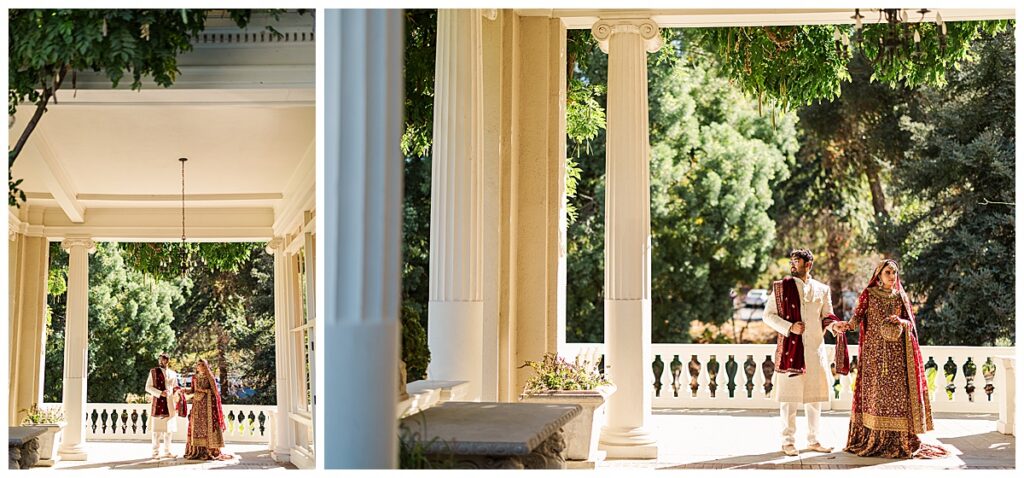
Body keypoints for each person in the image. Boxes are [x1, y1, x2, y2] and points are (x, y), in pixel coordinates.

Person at [835, 259, 950, 458]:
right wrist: (845, 326)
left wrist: (901, 322)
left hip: (898, 356)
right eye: (888, 272)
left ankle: (900, 440)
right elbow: (857, 318)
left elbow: (911, 325)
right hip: (874, 356)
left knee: (898, 396)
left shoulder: (900, 297)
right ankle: (874, 438)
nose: (892, 276)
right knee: (876, 396)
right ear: (879, 275)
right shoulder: (868, 295)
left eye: (894, 273)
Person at [763, 249, 843, 456]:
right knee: (789, 401)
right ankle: (788, 442)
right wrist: (789, 327)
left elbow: (828, 316)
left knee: (814, 400)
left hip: (815, 352)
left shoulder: (822, 289)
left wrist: (835, 327)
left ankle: (814, 440)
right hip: (791, 352)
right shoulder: (781, 288)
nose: (792, 264)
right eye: (792, 261)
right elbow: (768, 316)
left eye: (796, 261)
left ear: (808, 264)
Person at [184, 359, 233, 461]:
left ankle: (208, 450)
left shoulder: (209, 377)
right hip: (197, 406)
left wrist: (204, 391)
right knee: (196, 428)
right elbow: (193, 390)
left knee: (206, 428)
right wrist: (185, 391)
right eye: (198, 365)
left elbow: (215, 393)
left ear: (205, 366)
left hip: (207, 407)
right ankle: (197, 451)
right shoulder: (195, 377)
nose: (199, 366)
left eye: (202, 365)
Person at [144, 354, 181, 459]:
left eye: (163, 360)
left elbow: (175, 387)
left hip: (170, 404)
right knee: (157, 431)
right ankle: (155, 453)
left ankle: (167, 452)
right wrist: (160, 393)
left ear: (167, 361)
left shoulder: (173, 373)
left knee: (168, 431)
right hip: (158, 402)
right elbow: (148, 387)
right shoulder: (153, 372)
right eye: (159, 360)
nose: (161, 362)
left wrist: (178, 394)